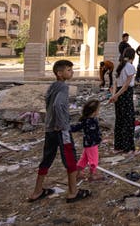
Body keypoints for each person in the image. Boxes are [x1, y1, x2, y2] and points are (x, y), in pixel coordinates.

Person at [29, 59, 90, 203]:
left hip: (49, 129)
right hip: (61, 130)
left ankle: (37, 191)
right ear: (59, 73)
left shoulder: (52, 86)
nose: (72, 72)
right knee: (70, 159)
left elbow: (48, 103)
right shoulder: (63, 87)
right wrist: (62, 124)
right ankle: (73, 192)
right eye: (69, 70)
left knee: (47, 159)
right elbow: (57, 105)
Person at [109, 47, 136, 153]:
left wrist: (114, 95)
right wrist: (116, 95)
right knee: (128, 121)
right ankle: (128, 147)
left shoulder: (120, 66)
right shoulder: (130, 67)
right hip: (126, 95)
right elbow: (126, 86)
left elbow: (115, 83)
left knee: (119, 120)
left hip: (119, 95)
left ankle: (118, 146)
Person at [70, 99, 103, 181]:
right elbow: (74, 128)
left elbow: (75, 128)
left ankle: (77, 173)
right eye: (98, 109)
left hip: (88, 143)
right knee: (94, 160)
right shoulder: (88, 120)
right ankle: (92, 175)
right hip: (91, 144)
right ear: (94, 111)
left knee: (84, 159)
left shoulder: (89, 119)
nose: (98, 111)